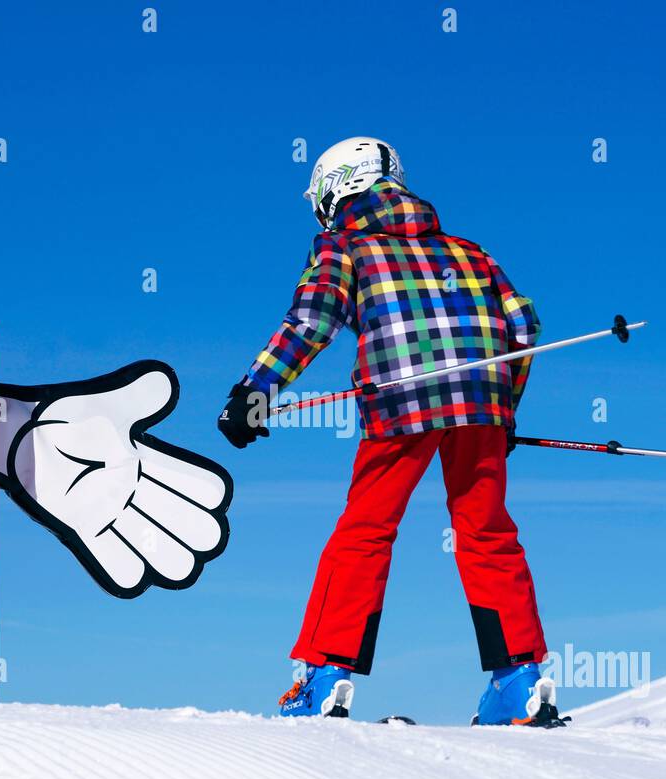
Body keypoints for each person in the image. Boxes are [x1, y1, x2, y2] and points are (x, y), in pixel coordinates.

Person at [219, 137, 554, 726]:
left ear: (334, 190)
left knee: (366, 531)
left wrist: (256, 393)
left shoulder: (343, 246)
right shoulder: (469, 251)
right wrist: (505, 411)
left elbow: (312, 321)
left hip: (400, 402)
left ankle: (326, 677)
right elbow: (523, 325)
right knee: (487, 531)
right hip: (481, 398)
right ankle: (519, 681)